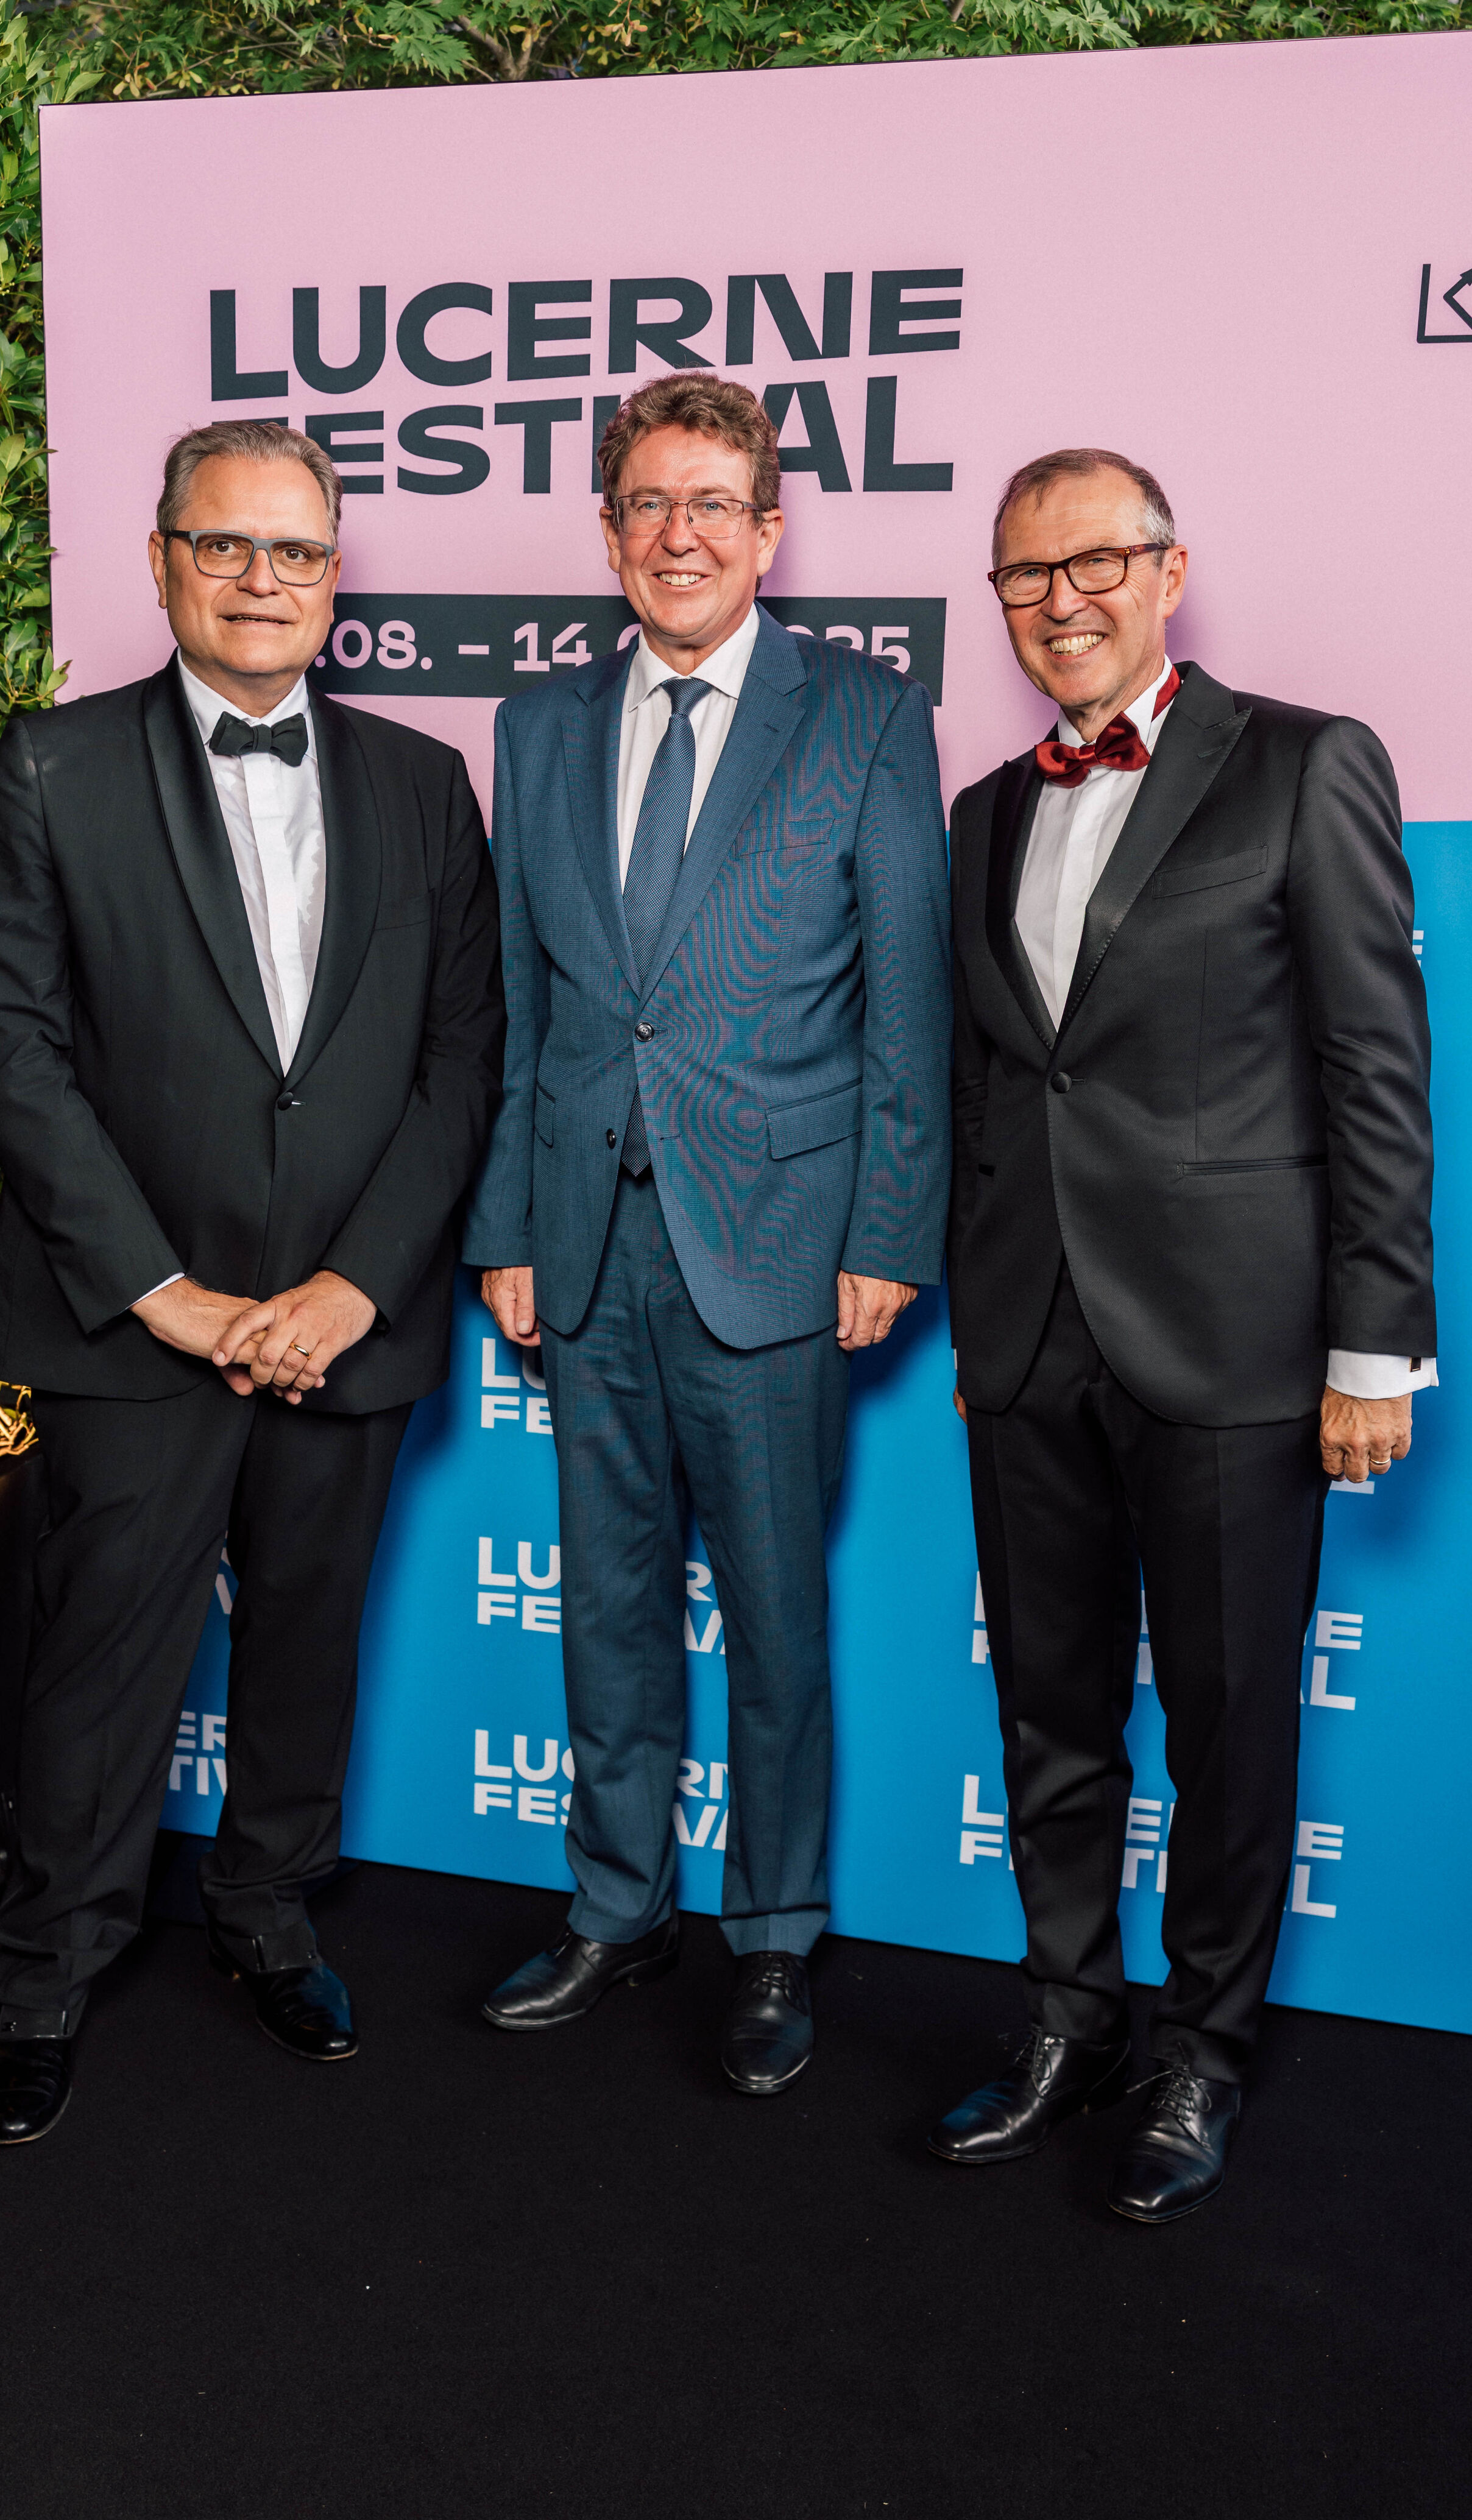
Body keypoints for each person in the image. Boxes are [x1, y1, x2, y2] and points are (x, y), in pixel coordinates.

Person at [0, 420, 503, 2144]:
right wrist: (164, 1293)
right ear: (163, 559)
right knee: (102, 1663)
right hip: (136, 1330)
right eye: (225, 544)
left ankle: (268, 1911)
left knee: (308, 1640)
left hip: (349, 1323)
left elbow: (462, 1058)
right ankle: (43, 1971)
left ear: (336, 579)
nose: (262, 579)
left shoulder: (423, 781)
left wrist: (355, 1285)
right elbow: (10, 1049)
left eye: (296, 551)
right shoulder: (55, 767)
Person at [935, 447, 1434, 2220]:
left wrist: (1374, 1345)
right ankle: (1067, 2017)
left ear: (1169, 569)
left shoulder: (1305, 762)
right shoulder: (982, 810)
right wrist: (974, 1304)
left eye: (1096, 563)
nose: (1060, 600)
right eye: (1025, 575)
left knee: (1228, 1726)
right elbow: (992, 1086)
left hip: (1235, 1339)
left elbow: (1374, 1068)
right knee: (1050, 1714)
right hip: (1027, 1336)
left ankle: (1201, 2054)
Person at [463, 374, 951, 2095]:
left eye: (713, 505)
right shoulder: (536, 726)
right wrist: (507, 1223)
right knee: (605, 1603)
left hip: (781, 1243)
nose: (681, 535)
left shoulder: (865, 716)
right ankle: (617, 1906)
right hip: (582, 1246)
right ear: (609, 533)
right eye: (649, 505)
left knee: (774, 1614)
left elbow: (909, 1005)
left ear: (770, 531)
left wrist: (887, 1227)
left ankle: (774, 1933)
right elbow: (522, 1004)